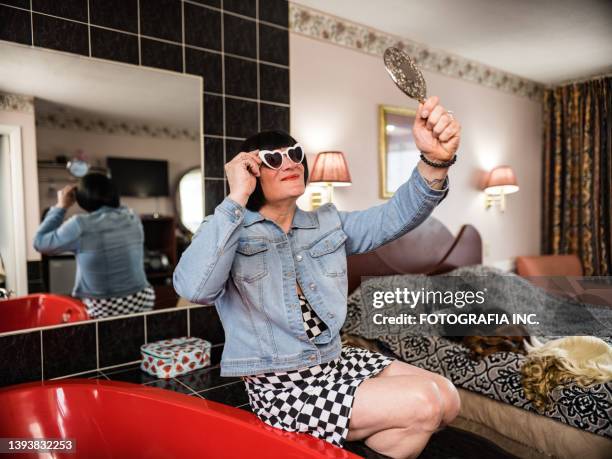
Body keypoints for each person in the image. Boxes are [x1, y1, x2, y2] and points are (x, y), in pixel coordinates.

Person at [173, 96, 461, 458]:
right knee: (425, 405)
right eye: (273, 159)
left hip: (335, 360)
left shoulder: (327, 222)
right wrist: (235, 198)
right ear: (251, 172)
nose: (289, 163)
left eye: (294, 153)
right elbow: (193, 288)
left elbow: (394, 217)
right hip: (283, 385)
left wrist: (436, 161)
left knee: (447, 397)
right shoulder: (226, 230)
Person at [33, 172, 154, 318]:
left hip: (104, 305)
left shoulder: (80, 224)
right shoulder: (132, 217)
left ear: (83, 198)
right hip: (143, 298)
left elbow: (40, 243)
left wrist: (61, 206)